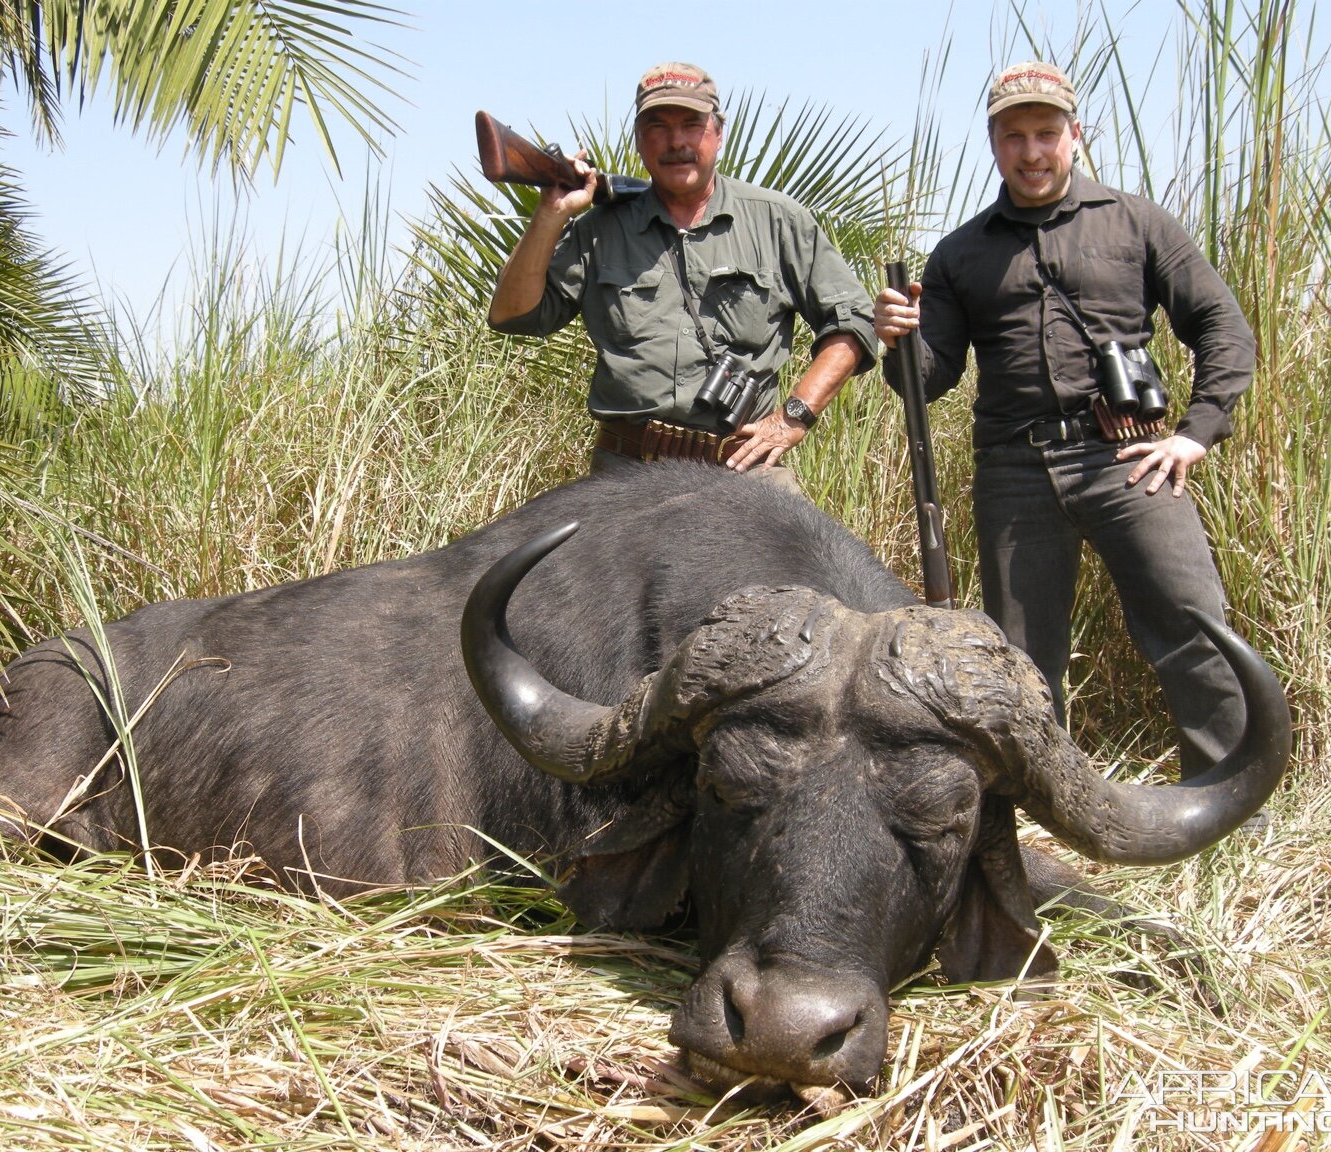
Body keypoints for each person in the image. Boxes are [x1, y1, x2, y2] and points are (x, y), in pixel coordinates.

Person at [874, 61, 1255, 779]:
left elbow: (1221, 327)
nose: (1032, 152)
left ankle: (1232, 802)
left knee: (1195, 629)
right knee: (1020, 664)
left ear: (1074, 135)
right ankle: (1040, 819)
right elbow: (931, 379)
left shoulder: (1137, 221)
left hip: (1133, 458)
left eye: (1046, 133)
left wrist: (1196, 432)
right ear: (993, 143)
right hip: (1014, 474)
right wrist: (898, 337)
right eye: (1013, 136)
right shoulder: (960, 252)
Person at [488, 62, 876, 480]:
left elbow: (853, 321)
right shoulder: (598, 230)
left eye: (692, 124)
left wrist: (792, 417)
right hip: (626, 470)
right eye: (657, 126)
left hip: (742, 470)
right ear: (639, 138)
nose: (676, 141)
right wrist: (551, 212)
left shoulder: (777, 220)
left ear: (718, 131)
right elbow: (513, 315)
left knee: (820, 548)